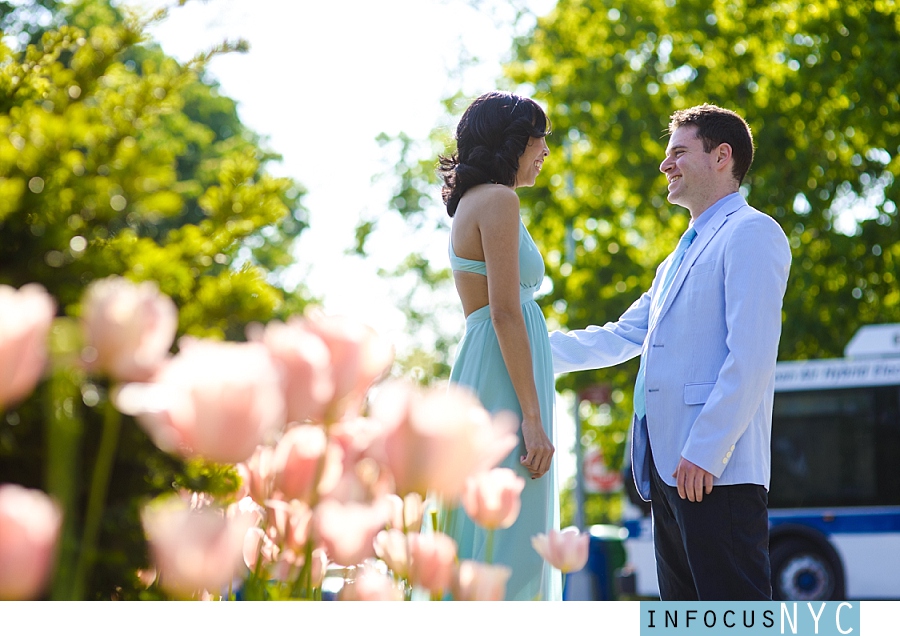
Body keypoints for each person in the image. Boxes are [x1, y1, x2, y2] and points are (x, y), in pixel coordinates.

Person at [549, 104, 792, 600]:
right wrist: (523, 346)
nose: (665, 165)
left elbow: (751, 358)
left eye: (679, 152)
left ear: (722, 156)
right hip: (667, 474)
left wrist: (705, 451)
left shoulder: (752, 232)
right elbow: (619, 336)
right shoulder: (675, 259)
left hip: (713, 471)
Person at [437, 91, 562, 601]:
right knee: (513, 542)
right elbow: (507, 311)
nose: (545, 152)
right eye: (540, 139)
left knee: (489, 536)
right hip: (506, 384)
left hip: (487, 367)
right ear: (514, 142)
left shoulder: (475, 202)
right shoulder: (498, 200)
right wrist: (532, 418)